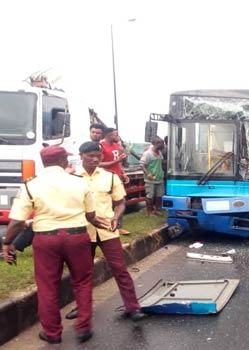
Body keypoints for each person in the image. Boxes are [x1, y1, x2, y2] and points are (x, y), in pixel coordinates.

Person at [1, 146, 108, 344]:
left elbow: (16, 221)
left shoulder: (30, 185)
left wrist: (7, 243)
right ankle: (83, 328)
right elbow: (91, 214)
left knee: (47, 286)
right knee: (82, 282)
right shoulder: (79, 182)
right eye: (66, 159)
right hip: (77, 237)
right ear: (61, 161)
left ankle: (52, 333)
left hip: (45, 239)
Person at [64, 142, 146, 322]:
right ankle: (82, 307)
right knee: (82, 273)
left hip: (108, 230)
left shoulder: (111, 177)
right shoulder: (71, 177)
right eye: (90, 155)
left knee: (120, 269)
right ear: (81, 155)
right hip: (81, 231)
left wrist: (116, 217)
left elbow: (120, 202)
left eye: (98, 155)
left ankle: (132, 307)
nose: (95, 159)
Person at [100, 128, 131, 235]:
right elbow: (99, 164)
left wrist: (123, 174)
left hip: (117, 178)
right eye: (115, 135)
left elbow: (118, 164)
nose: (117, 137)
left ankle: (118, 226)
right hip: (106, 178)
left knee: (120, 202)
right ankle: (106, 224)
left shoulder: (116, 146)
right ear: (108, 135)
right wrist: (117, 160)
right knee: (108, 203)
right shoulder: (101, 146)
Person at [140, 137, 166, 216]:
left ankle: (157, 210)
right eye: (161, 143)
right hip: (150, 179)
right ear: (156, 144)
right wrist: (148, 174)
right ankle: (149, 212)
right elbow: (142, 164)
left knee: (159, 196)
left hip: (159, 178)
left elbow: (160, 162)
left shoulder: (159, 152)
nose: (163, 145)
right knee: (150, 196)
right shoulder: (148, 153)